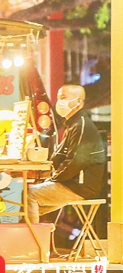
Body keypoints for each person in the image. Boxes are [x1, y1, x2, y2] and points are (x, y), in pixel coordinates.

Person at [27, 84, 106, 223]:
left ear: (78, 101)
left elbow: (76, 161)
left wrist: (54, 177)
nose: (59, 102)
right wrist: (48, 174)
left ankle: (33, 235)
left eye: (63, 98)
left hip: (79, 187)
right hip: (71, 183)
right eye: (58, 98)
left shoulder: (81, 125)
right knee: (31, 205)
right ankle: (40, 233)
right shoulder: (72, 124)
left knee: (30, 195)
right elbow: (60, 157)